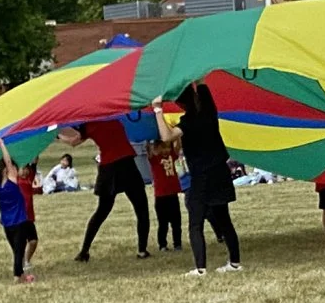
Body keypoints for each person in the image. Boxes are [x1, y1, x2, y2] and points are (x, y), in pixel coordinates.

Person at [154, 85, 242, 277]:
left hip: (202, 177)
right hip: (220, 172)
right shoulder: (210, 112)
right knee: (224, 219)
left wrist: (158, 109)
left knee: (195, 223)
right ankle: (234, 263)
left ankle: (200, 268)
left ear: (181, 103)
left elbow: (166, 136)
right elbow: (202, 87)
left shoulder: (188, 122)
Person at [59, 118, 150, 262]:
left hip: (109, 168)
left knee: (102, 211)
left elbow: (73, 142)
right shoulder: (113, 114)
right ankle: (142, 250)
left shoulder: (89, 124)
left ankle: (84, 251)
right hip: (126, 164)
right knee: (141, 208)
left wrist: (57, 133)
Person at [0, 139, 35, 284]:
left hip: (7, 223)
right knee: (19, 251)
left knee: (16, 250)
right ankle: (17, 277)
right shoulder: (12, 180)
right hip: (19, 221)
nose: (16, 171)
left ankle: (21, 275)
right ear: (7, 169)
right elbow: (8, 162)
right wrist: (1, 144)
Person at [146, 138, 183, 252]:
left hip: (173, 195)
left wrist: (177, 136)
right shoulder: (155, 159)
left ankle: (177, 244)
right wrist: (148, 139)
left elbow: (177, 147)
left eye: (168, 147)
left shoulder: (172, 154)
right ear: (156, 148)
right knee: (163, 223)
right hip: (161, 197)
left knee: (176, 222)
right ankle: (162, 244)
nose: (166, 150)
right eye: (163, 147)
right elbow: (148, 150)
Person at [17, 160, 39, 271]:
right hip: (20, 217)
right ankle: (20, 263)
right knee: (21, 241)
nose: (24, 171)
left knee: (33, 241)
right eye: (22, 169)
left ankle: (26, 260)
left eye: (26, 168)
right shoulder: (15, 180)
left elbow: (34, 161)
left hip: (29, 217)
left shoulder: (29, 178)